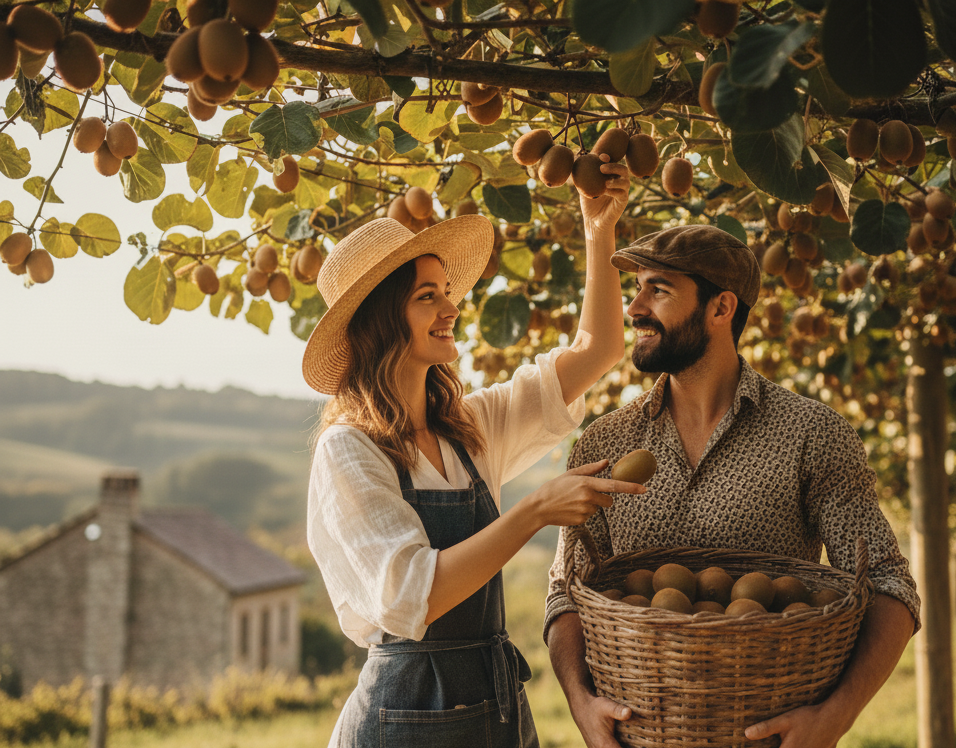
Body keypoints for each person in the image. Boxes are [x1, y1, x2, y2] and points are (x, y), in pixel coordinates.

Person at [305, 158, 643, 748]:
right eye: (427, 297)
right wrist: (536, 510)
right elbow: (419, 595)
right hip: (403, 719)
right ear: (383, 321)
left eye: (447, 292)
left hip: (495, 710)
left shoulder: (469, 430)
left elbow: (599, 349)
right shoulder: (349, 451)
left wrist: (599, 229)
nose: (450, 308)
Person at [544, 225, 921, 748]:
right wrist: (581, 705)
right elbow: (565, 590)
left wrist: (835, 716)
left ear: (722, 308)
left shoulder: (812, 434)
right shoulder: (605, 443)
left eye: (659, 289)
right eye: (638, 289)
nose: (634, 308)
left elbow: (889, 583)